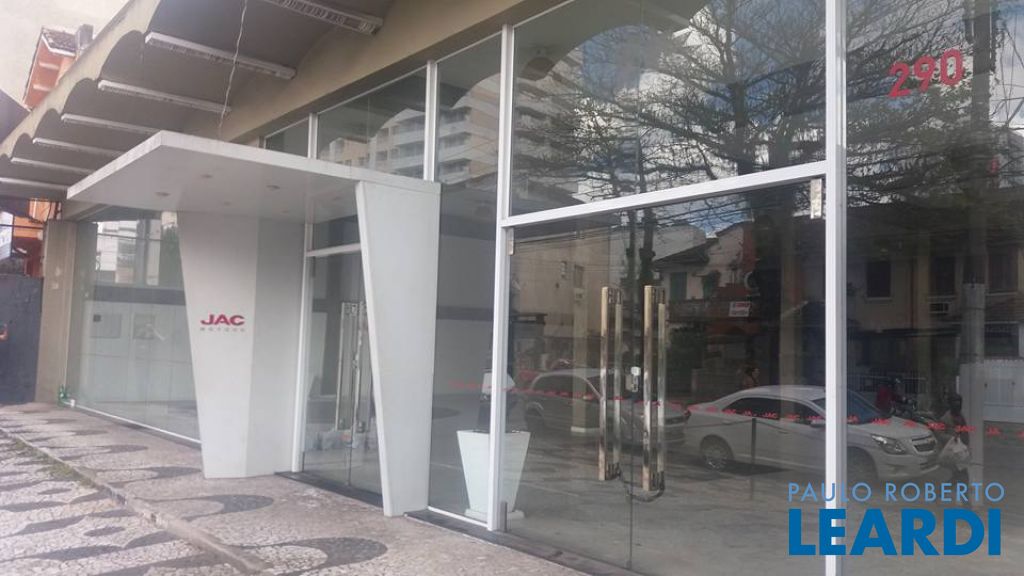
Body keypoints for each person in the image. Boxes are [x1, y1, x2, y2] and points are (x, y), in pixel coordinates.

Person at [938, 392, 969, 485]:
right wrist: (952, 438)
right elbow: (940, 435)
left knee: (961, 475)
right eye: (955, 401)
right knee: (959, 475)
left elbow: (965, 432)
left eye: (959, 401)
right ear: (950, 404)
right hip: (950, 452)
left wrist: (966, 445)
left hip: (960, 451)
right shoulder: (944, 419)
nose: (957, 404)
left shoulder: (961, 417)